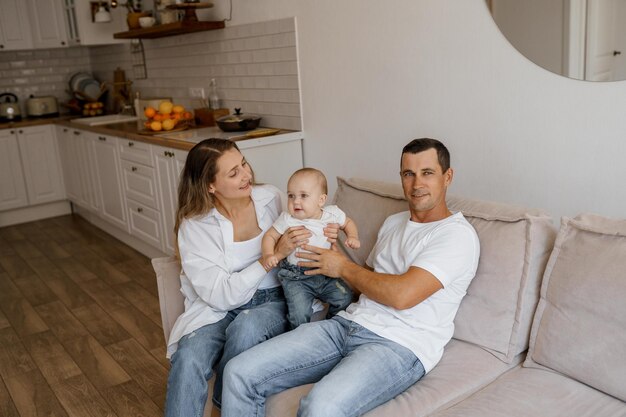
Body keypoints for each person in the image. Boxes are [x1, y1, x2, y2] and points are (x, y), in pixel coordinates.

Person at [221, 138, 481, 417]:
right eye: (409, 173)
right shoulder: (394, 223)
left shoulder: (456, 235)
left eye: (427, 173)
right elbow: (367, 284)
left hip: (398, 346)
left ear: (447, 177)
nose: (417, 183)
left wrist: (343, 266)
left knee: (320, 407)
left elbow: (401, 296)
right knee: (238, 372)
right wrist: (328, 262)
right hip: (347, 324)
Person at [163, 138, 339, 417]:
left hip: (274, 299)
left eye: (243, 163)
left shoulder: (271, 197)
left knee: (247, 327)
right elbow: (220, 296)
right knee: (188, 357)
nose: (247, 175)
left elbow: (312, 220)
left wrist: (328, 233)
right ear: (211, 185)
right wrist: (273, 256)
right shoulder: (195, 225)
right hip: (217, 308)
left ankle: (222, 409)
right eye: (233, 173)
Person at [261, 167, 360, 329]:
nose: (295, 201)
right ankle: (298, 337)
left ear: (321, 200)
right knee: (299, 314)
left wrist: (352, 236)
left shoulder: (332, 214)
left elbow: (348, 223)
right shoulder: (287, 219)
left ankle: (329, 327)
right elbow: (270, 236)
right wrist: (268, 254)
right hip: (296, 277)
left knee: (345, 298)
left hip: (327, 273)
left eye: (303, 196)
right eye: (291, 196)